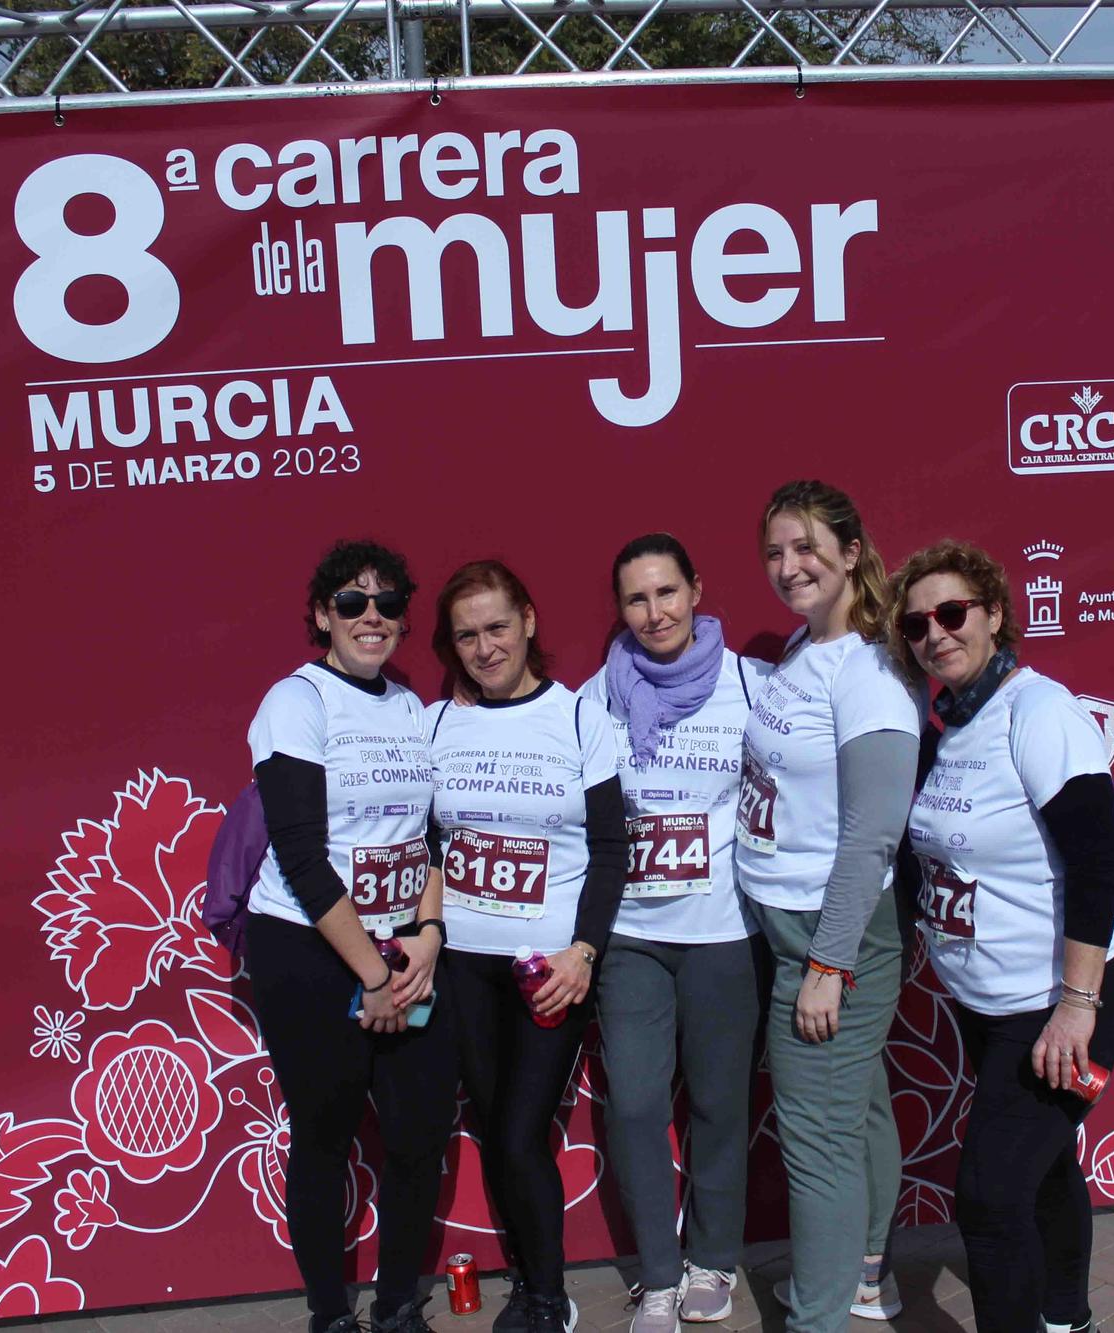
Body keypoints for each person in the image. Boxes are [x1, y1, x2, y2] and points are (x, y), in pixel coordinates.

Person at [886, 539, 1114, 1333]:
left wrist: (1076, 1006)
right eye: (919, 624)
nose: (937, 633)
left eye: (953, 613)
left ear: (993, 615)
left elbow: (1096, 862)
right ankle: (1068, 1318)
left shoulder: (1040, 711)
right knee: (1046, 1164)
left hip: (1057, 1001)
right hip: (985, 1006)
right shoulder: (950, 726)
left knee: (990, 1199)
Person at [244, 540, 456, 1333]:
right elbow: (300, 855)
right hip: (308, 949)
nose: (373, 616)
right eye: (352, 602)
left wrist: (426, 933)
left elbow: (430, 838)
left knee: (417, 1131)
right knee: (326, 1136)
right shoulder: (294, 702)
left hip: (401, 951)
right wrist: (372, 975)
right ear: (321, 614)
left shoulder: (406, 704)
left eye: (389, 602)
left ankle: (400, 1304)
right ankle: (330, 1314)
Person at [735, 480, 920, 1330]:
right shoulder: (805, 650)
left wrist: (828, 963)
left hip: (831, 934)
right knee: (857, 1105)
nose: (788, 566)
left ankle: (819, 1318)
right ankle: (864, 1276)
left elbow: (874, 832)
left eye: (807, 547)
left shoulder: (871, 670)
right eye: (775, 550)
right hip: (791, 925)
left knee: (815, 1140)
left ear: (851, 552)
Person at [426, 560, 629, 1333]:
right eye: (467, 634)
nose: (484, 646)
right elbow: (425, 845)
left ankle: (548, 1296)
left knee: (519, 1130)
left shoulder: (580, 718)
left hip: (548, 966)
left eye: (497, 626)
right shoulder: (437, 722)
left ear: (530, 622)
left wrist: (584, 952)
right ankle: (533, 1281)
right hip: (464, 964)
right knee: (493, 1124)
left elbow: (612, 849)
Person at [580, 534, 773, 1333]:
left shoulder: (750, 684)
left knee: (723, 1106)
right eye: (636, 598)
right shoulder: (598, 695)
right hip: (630, 936)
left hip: (725, 932)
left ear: (696, 590)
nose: (654, 612)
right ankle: (658, 1275)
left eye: (667, 592)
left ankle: (713, 1260)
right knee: (634, 1104)